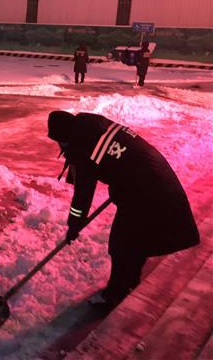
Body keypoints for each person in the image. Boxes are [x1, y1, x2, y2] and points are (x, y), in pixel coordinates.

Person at [47, 110, 200, 310]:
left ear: (64, 137)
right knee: (136, 239)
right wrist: (120, 185)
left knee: (121, 243)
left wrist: (74, 224)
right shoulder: (90, 124)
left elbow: (83, 192)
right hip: (153, 176)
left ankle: (115, 295)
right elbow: (115, 161)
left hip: (147, 189)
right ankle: (128, 283)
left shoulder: (83, 145)